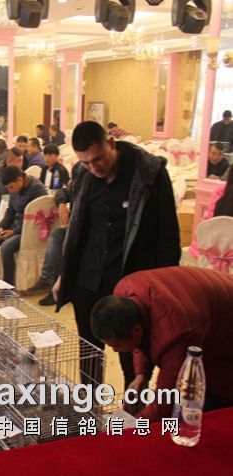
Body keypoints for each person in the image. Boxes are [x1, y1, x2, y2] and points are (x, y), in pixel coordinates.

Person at [54, 121, 181, 389]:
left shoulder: (149, 173)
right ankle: (89, 408)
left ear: (111, 143)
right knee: (89, 352)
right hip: (88, 280)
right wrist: (65, 274)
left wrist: (164, 288)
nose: (94, 168)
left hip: (131, 283)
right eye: (86, 163)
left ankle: (132, 410)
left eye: (98, 159)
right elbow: (78, 231)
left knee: (132, 359)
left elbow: (168, 236)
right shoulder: (83, 174)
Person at [91, 267, 233, 419]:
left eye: (117, 345)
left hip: (226, 325)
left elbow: (165, 403)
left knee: (211, 399)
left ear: (136, 330)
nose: (115, 351)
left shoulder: (176, 333)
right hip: (208, 305)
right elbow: (144, 331)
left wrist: (132, 426)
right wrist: (141, 374)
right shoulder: (125, 292)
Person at [0, 166, 47, 285]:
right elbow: (10, 211)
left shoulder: (38, 191)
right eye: (8, 188)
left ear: (20, 180)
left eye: (11, 187)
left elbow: (34, 221)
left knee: (6, 247)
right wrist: (1, 227)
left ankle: (8, 285)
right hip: (15, 227)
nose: (10, 191)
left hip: (29, 231)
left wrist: (14, 232)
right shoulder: (15, 189)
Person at [25, 184, 72, 306]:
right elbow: (62, 192)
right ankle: (48, 278)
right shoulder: (80, 187)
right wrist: (61, 204)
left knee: (62, 243)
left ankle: (53, 285)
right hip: (73, 228)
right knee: (57, 236)